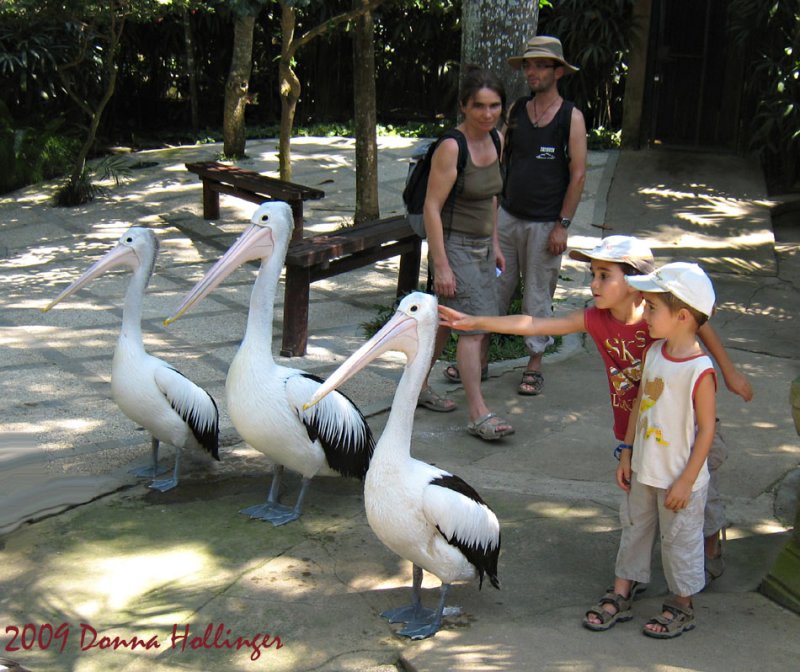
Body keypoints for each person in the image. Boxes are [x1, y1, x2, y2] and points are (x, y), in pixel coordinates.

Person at [439, 235, 753, 578]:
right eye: (593, 274)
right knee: (644, 498)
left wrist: (730, 371)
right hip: (638, 430)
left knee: (698, 492)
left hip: (682, 427)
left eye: (605, 275)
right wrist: (476, 322)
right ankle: (636, 574)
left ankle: (709, 541)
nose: (593, 284)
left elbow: (700, 326)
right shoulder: (594, 319)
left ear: (635, 283)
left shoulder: (660, 319)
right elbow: (533, 324)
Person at [583, 261, 718, 638]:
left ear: (682, 316)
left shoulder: (700, 370)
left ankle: (681, 603)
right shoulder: (654, 352)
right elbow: (641, 401)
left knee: (680, 541)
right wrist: (627, 452)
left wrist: (686, 482)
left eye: (653, 307)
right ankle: (623, 589)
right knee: (635, 528)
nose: (646, 313)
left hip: (679, 478)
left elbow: (706, 430)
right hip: (644, 467)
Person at [417, 65, 514, 441]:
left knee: (446, 324)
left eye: (494, 106)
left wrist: (495, 244)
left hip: (481, 248)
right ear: (464, 106)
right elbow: (431, 208)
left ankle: (417, 388)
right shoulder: (452, 147)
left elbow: (492, 195)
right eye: (479, 106)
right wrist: (441, 263)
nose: (488, 114)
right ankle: (479, 413)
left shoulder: (498, 140)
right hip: (452, 245)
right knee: (474, 328)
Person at [497, 34, 587, 396]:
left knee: (537, 296)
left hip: (545, 223)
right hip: (507, 217)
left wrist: (562, 225)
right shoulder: (517, 110)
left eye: (540, 65)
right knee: (494, 290)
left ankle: (534, 363)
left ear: (558, 71)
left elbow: (578, 173)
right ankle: (479, 356)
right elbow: (500, 157)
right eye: (528, 65)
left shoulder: (571, 116)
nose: (532, 72)